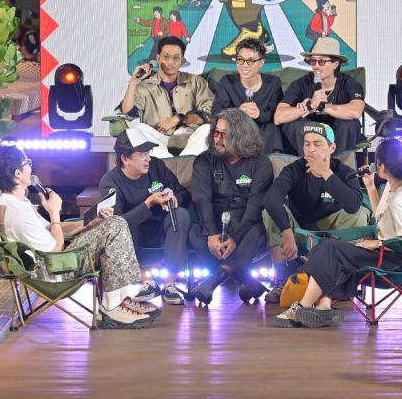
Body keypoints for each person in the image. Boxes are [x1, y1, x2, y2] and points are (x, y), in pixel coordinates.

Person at [0, 145, 157, 329]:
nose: (31, 167)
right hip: (55, 272)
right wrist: (54, 212)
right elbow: (54, 249)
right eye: (27, 162)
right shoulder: (16, 211)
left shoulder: (12, 201)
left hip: (54, 263)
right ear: (17, 173)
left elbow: (53, 229)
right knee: (116, 224)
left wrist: (92, 222)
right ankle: (112, 306)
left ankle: (119, 300)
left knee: (112, 222)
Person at [276, 138, 402, 328]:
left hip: (395, 261)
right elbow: (382, 218)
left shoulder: (400, 200)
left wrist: (377, 244)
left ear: (383, 167)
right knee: (327, 250)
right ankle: (323, 306)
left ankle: (302, 307)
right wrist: (370, 187)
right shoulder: (391, 187)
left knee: (330, 249)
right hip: (385, 253)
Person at [262, 122, 367, 301]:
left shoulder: (344, 171)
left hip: (333, 234)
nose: (311, 149)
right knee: (269, 212)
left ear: (331, 148)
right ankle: (281, 278)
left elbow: (353, 205)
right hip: (300, 231)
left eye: (317, 144)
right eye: (307, 144)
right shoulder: (295, 169)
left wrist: (326, 173)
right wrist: (287, 232)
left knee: (360, 214)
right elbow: (270, 199)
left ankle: (343, 279)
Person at [187, 108, 274, 305]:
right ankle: (248, 282)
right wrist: (211, 234)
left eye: (223, 134)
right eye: (215, 133)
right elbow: (201, 200)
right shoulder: (204, 161)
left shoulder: (261, 163)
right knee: (195, 234)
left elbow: (255, 205)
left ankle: (213, 281)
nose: (217, 139)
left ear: (240, 136)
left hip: (247, 222)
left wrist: (235, 237)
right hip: (214, 222)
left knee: (254, 235)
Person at [97, 131, 190, 306]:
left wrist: (174, 198)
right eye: (142, 154)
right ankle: (148, 282)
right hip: (135, 236)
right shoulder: (110, 182)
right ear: (125, 158)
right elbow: (116, 224)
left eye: (148, 153)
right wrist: (149, 203)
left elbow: (183, 193)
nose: (148, 158)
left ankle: (169, 284)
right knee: (120, 227)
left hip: (163, 229)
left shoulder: (157, 166)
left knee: (181, 215)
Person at [118, 36, 212, 158]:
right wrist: (133, 82)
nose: (170, 62)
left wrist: (179, 118)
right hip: (159, 137)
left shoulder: (196, 82)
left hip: (189, 137)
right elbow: (127, 111)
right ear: (158, 58)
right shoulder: (144, 86)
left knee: (207, 129)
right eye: (166, 57)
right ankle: (175, 164)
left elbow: (209, 113)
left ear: (182, 60)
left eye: (176, 58)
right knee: (138, 129)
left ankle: (177, 163)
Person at [274, 37, 364, 156]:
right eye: (313, 61)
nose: (316, 66)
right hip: (308, 132)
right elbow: (278, 117)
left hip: (337, 135)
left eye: (321, 61)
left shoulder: (350, 84)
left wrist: (322, 106)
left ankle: (337, 164)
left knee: (349, 124)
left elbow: (356, 112)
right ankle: (308, 163)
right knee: (293, 124)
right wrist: (310, 105)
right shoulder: (301, 84)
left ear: (335, 64)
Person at [213, 38, 283, 154]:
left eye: (250, 61)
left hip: (263, 131)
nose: (245, 65)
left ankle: (273, 160)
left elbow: (277, 114)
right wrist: (237, 113)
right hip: (235, 131)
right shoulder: (227, 82)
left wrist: (259, 114)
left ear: (261, 63)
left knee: (271, 127)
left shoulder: (273, 83)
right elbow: (216, 113)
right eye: (240, 60)